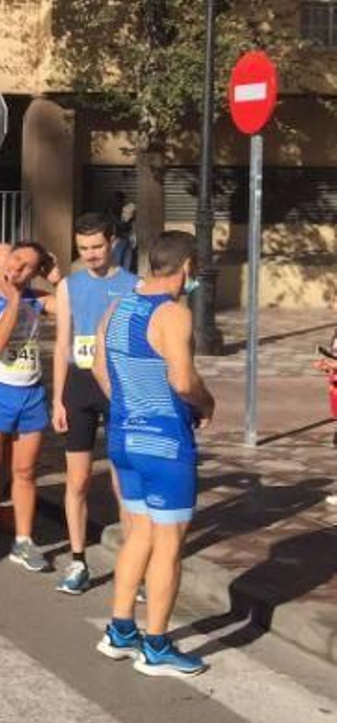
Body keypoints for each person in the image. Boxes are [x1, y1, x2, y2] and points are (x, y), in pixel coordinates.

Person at [94, 230, 214, 677]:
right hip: (164, 444)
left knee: (138, 536)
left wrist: (129, 406)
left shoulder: (118, 305)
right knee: (168, 545)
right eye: (194, 272)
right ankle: (158, 644)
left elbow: (99, 367)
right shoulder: (172, 314)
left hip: (124, 437)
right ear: (186, 267)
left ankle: (120, 630)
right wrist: (207, 403)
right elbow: (183, 381)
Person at [52, 213, 139, 594]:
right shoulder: (69, 286)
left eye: (96, 247)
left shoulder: (135, 285)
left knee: (124, 484)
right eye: (82, 248)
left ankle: (131, 566)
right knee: (79, 479)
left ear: (113, 242)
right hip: (79, 385)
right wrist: (56, 398)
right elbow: (60, 345)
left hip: (117, 386)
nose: (89, 255)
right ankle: (77, 561)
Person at [0, 241, 58, 572]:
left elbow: (75, 307)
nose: (18, 268)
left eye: (28, 266)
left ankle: (23, 540)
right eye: (16, 259)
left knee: (25, 472)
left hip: (31, 393)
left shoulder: (38, 299)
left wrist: (57, 277)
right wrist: (14, 299)